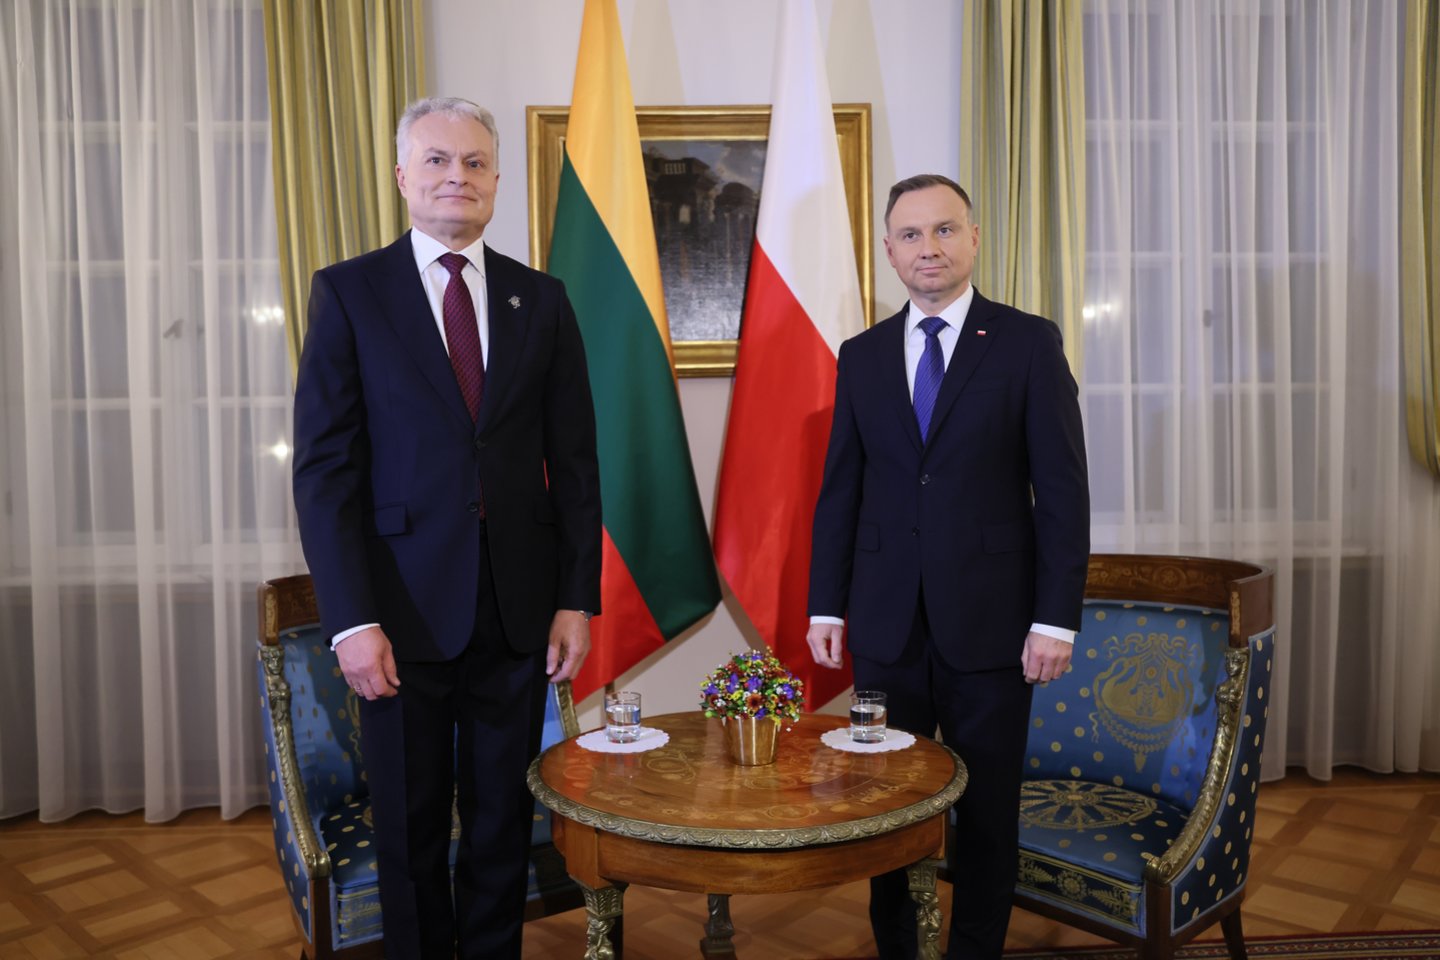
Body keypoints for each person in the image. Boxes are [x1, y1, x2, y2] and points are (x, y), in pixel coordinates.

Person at [292, 96, 601, 959]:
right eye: (436, 160)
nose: (455, 177)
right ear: (403, 176)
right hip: (396, 616)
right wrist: (350, 620)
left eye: (474, 163)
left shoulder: (542, 300)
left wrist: (576, 598)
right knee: (411, 826)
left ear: (497, 180)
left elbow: (576, 465)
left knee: (502, 825)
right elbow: (323, 473)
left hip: (516, 611)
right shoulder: (350, 292)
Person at [806, 174, 1089, 959]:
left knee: (988, 813)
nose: (927, 247)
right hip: (885, 627)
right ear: (889, 251)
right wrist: (826, 604)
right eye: (910, 234)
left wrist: (1056, 619)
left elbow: (1063, 492)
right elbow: (842, 489)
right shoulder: (861, 355)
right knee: (884, 807)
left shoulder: (1027, 343)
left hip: (996, 627)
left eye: (943, 230)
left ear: (972, 239)